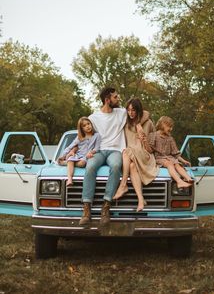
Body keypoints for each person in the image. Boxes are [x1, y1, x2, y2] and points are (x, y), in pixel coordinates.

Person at [79, 87, 127, 227]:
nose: (118, 99)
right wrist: (76, 152)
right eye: (115, 97)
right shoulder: (93, 118)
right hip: (98, 150)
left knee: (117, 165)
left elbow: (144, 113)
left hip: (115, 150)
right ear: (107, 100)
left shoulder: (121, 112)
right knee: (90, 166)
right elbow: (85, 135)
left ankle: (106, 206)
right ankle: (86, 209)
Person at [113, 98, 157, 212]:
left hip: (145, 155)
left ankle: (123, 185)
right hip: (131, 156)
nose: (130, 113)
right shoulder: (126, 124)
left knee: (126, 151)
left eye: (133, 110)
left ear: (138, 110)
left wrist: (144, 138)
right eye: (128, 110)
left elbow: (151, 148)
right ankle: (141, 199)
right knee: (131, 165)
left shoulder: (148, 123)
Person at [148, 116, 193, 188]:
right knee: (169, 164)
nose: (171, 129)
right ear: (163, 124)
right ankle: (179, 182)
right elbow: (150, 149)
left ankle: (188, 179)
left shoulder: (170, 138)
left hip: (170, 158)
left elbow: (176, 154)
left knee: (177, 164)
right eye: (169, 127)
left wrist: (184, 161)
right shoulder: (153, 135)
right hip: (159, 158)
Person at [57, 117, 101, 187]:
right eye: (84, 126)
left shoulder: (96, 135)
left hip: (87, 156)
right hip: (77, 155)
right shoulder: (79, 137)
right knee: (71, 159)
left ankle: (66, 163)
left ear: (91, 124)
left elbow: (97, 148)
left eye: (88, 124)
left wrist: (91, 152)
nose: (87, 126)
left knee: (82, 163)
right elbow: (70, 146)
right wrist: (63, 155)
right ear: (81, 129)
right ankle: (70, 179)